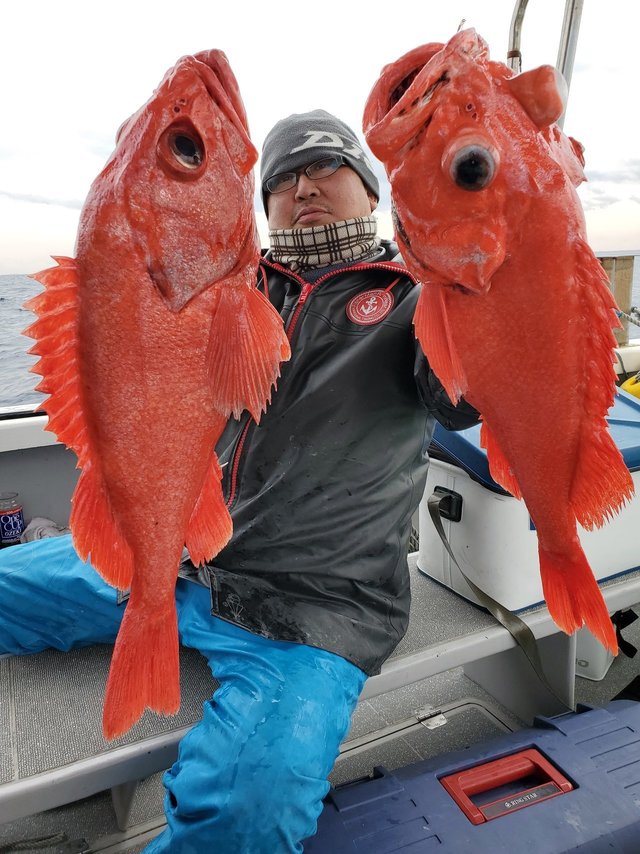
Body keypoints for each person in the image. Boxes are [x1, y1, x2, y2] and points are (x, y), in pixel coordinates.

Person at [0, 110, 478, 852]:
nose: (303, 186)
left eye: (325, 166)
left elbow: (465, 396)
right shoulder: (225, 289)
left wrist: (471, 269)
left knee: (247, 811)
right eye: (282, 179)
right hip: (175, 558)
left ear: (372, 187)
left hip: (313, 606)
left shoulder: (418, 297)